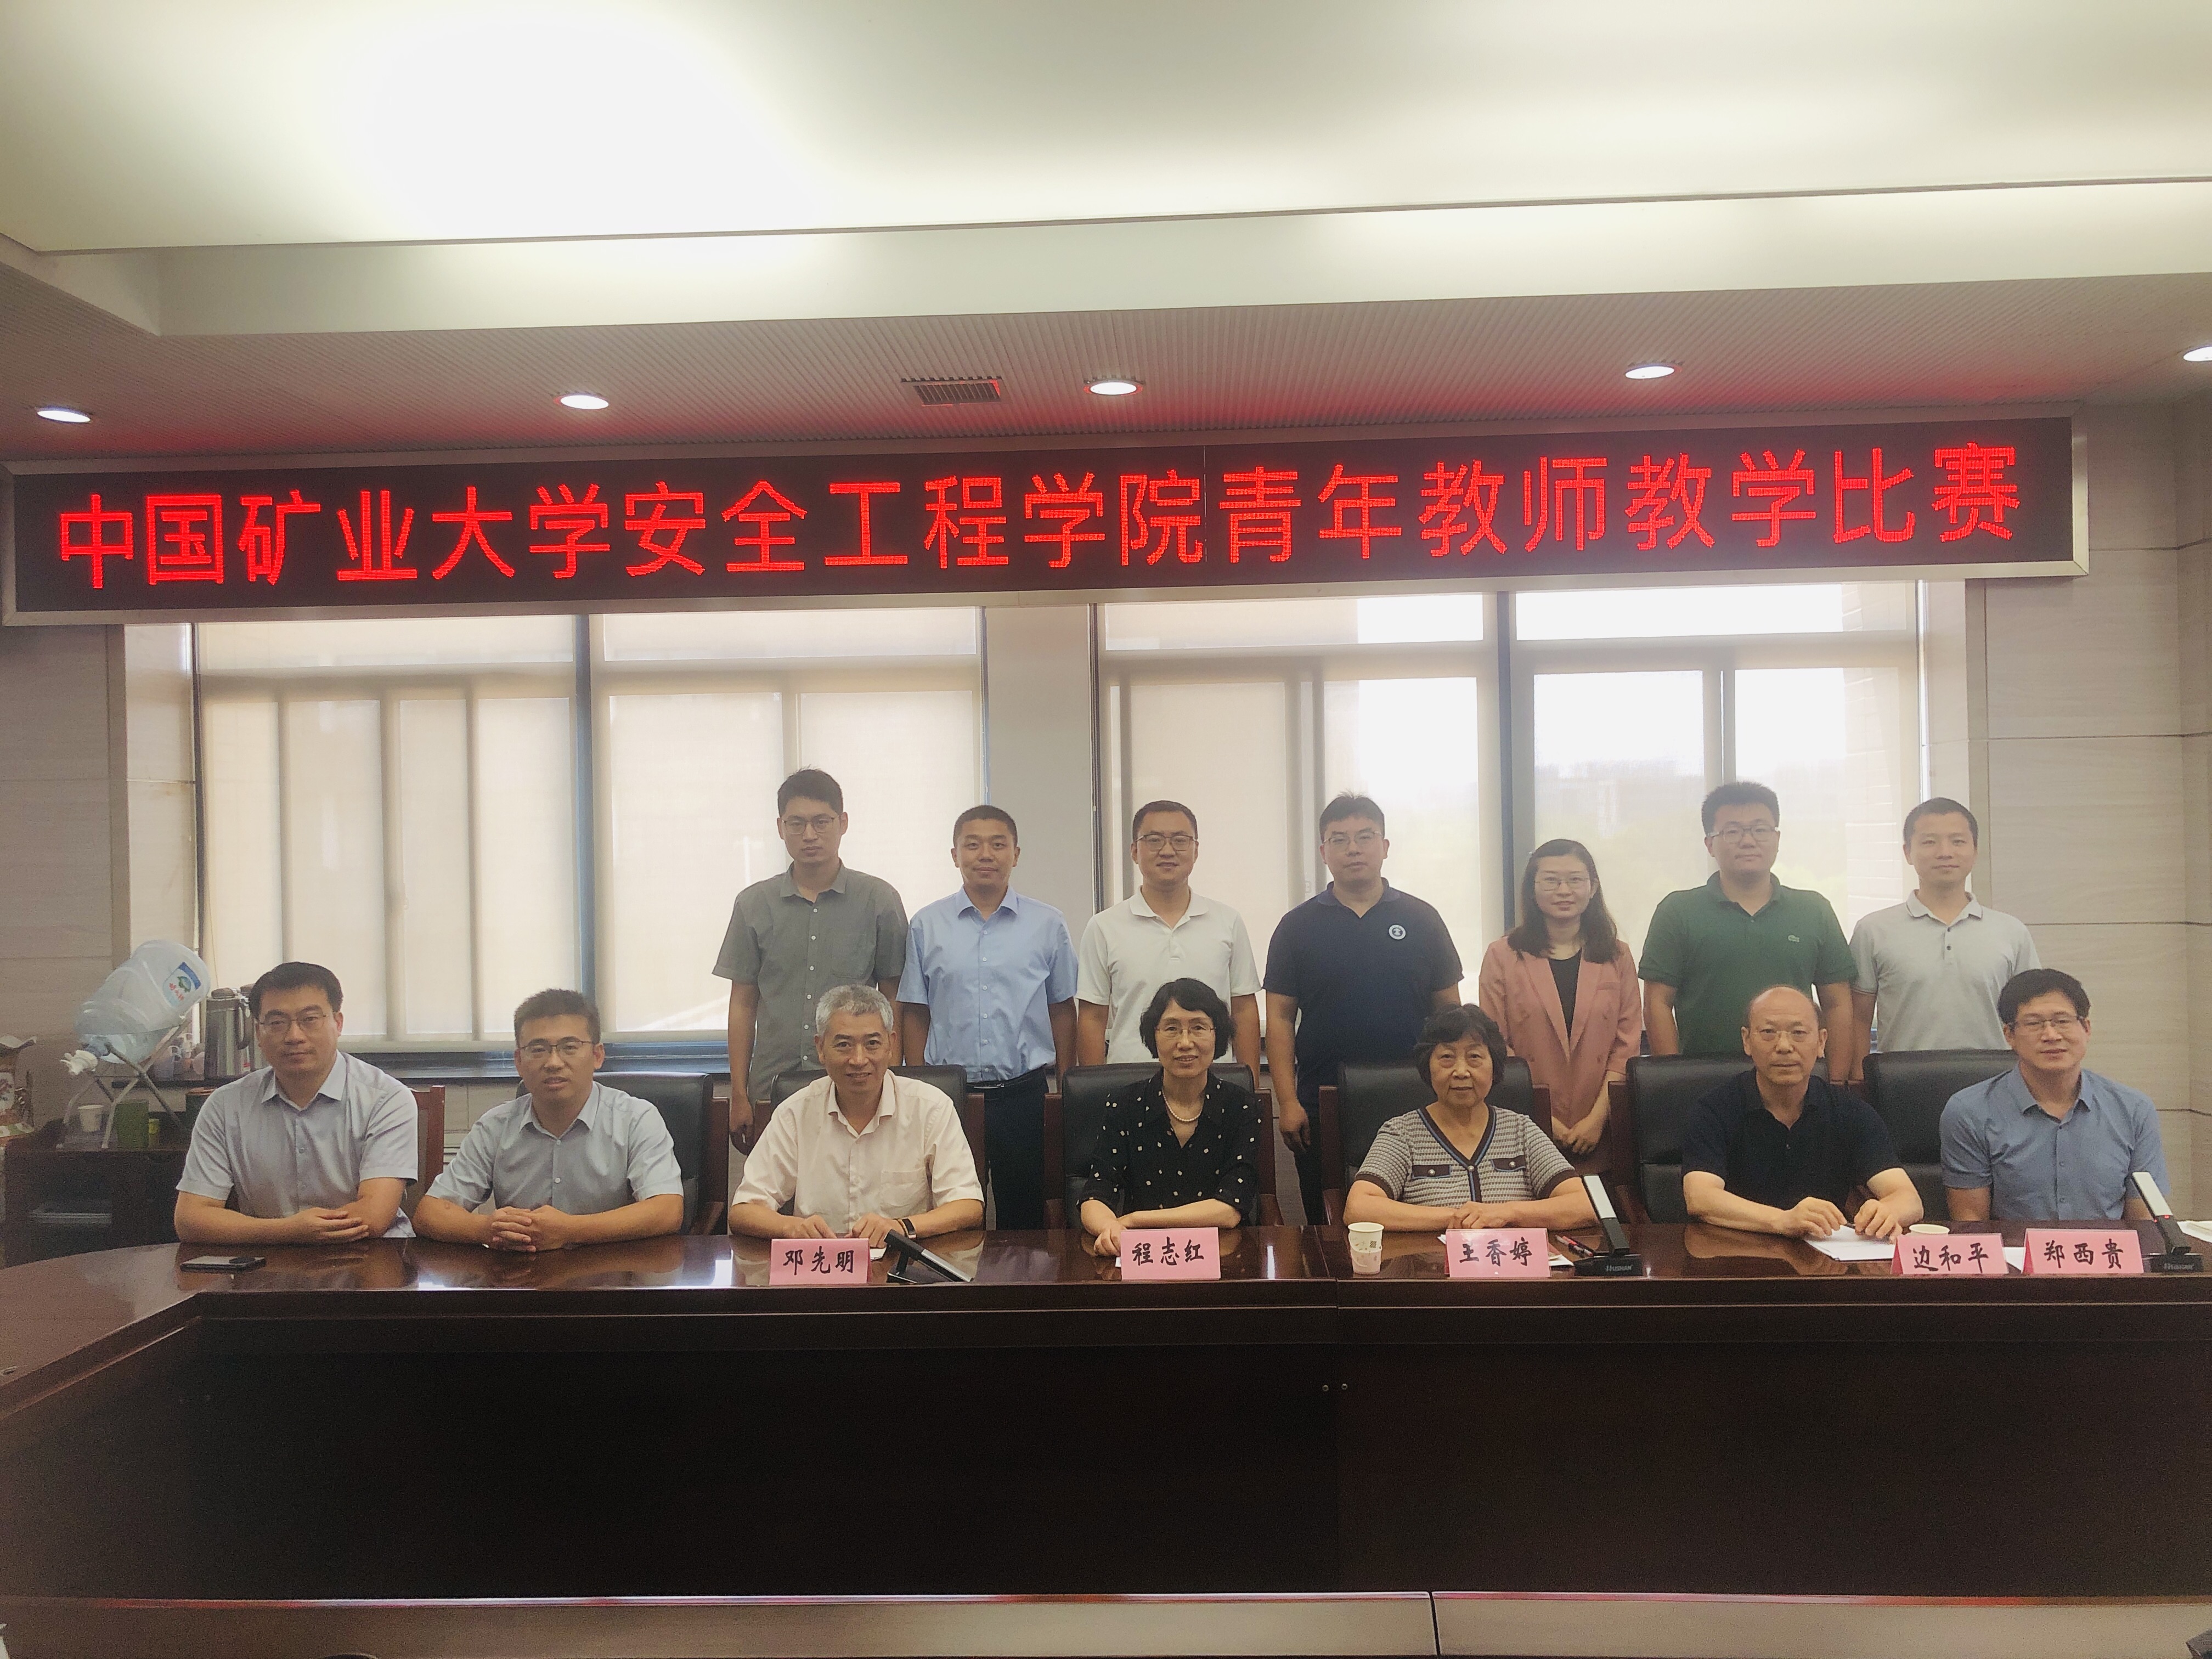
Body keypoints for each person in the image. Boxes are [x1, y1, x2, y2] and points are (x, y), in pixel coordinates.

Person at [1265, 794, 1463, 1227]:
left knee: (1417, 1218)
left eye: (1365, 837)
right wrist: (1288, 1102)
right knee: (1327, 1222)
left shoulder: (1423, 918)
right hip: (1322, 1099)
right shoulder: (1296, 926)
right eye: (1339, 840)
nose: (1353, 849)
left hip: (1415, 1095)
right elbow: (1279, 1019)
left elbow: (1450, 1013)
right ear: (1324, 852)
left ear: (1385, 846)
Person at [897, 805, 1076, 1229]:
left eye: (998, 844)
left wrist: (1066, 1085)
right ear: (955, 855)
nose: (985, 855)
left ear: (1016, 853)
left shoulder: (1048, 924)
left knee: (1026, 1217)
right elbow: (916, 1011)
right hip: (949, 1098)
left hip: (1024, 1095)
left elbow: (1062, 1008)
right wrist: (918, 1084)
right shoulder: (926, 925)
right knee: (949, 1214)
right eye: (972, 844)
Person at [714, 768, 908, 1152]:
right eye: (796, 823)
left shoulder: (878, 900)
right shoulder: (753, 904)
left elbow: (894, 997)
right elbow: (743, 1003)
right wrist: (738, 1091)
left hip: (853, 1082)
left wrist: (892, 1078)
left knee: (857, 1182)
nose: (809, 835)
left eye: (822, 822)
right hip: (771, 1085)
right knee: (776, 1187)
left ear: (843, 823)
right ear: (780, 827)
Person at [414, 990, 685, 1250]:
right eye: (538, 1049)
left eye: (570, 1047)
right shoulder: (495, 1126)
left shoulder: (636, 1119)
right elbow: (430, 1214)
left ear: (597, 1056)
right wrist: (488, 1229)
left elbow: (667, 1211)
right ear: (519, 1061)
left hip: (613, 1272)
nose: (554, 1063)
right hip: (520, 1273)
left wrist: (570, 1230)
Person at [173, 962, 419, 1245]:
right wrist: (289, 1231)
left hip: (370, 1256)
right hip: (268, 1257)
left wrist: (292, 1232)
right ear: (258, 1033)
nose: (294, 1036)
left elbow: (373, 1216)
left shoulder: (386, 1098)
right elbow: (191, 1218)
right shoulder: (226, 1106)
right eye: (277, 1023)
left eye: (310, 1019)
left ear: (338, 1023)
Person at [729, 984, 984, 1246]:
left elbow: (968, 1205)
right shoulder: (795, 1113)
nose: (859, 1059)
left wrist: (901, 1228)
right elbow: (743, 1210)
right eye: (844, 1045)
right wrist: (791, 1227)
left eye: (872, 1044)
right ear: (821, 1048)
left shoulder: (931, 1108)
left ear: (891, 1044)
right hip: (821, 1265)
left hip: (902, 1263)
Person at [1640, 781, 1856, 1068]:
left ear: (1777, 839)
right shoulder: (1677, 911)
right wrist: (1674, 1078)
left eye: (1760, 830)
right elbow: (1657, 1004)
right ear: (1710, 844)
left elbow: (1837, 1003)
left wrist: (1836, 1081)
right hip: (1704, 1078)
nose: (1748, 841)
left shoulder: (1814, 910)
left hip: (1796, 1076)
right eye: (1732, 832)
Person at [1681, 986, 1922, 1240]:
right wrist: (1782, 1220)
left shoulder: (1850, 1112)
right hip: (1735, 1252)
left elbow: (1909, 1199)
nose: (1784, 1046)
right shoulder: (1714, 1109)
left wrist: (1886, 1212)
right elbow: (1700, 1198)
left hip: (1826, 1256)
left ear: (1821, 1042)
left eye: (1798, 1033)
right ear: (1747, 1041)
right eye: (1769, 1032)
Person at [1342, 1004, 1596, 1232]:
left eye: (1474, 1057)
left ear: (1494, 1066)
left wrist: (1506, 1213)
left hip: (1512, 1267)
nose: (1461, 1072)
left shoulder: (1521, 1130)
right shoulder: (1402, 1133)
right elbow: (1359, 1208)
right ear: (1427, 1066)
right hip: (1433, 1266)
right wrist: (1458, 1218)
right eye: (1447, 1058)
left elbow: (1586, 1205)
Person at [1940, 969, 2168, 1221]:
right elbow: (1971, 1223)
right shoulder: (1970, 1111)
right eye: (2033, 1024)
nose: (2051, 1035)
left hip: (2108, 1247)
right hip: (2014, 1247)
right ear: (2009, 1035)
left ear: (2086, 1028)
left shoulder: (2133, 1110)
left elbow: (2146, 1223)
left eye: (2062, 1021)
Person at [1847, 797, 2039, 1084]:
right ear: (1907, 852)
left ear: (1975, 850)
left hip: (1995, 1083)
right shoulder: (1873, 930)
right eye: (1929, 842)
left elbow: (2031, 1015)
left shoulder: (2011, 931)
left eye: (1958, 841)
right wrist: (1858, 1082)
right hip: (1901, 1084)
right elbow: (1859, 1019)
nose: (1945, 852)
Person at [1477, 839, 1641, 1170]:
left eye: (1575, 880)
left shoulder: (1617, 955)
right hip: (1522, 1124)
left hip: (1602, 1124)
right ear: (1532, 889)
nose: (1564, 891)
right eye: (1551, 880)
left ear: (1593, 887)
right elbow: (1494, 1045)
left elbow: (1627, 1044)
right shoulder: (1502, 955)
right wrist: (1541, 1117)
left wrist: (1597, 1119)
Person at [1080, 979, 1266, 1259]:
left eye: (1199, 1028)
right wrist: (1110, 1228)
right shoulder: (1124, 1104)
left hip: (1222, 1256)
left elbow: (1230, 1209)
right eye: (1171, 1029)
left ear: (1217, 1035)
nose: (1185, 1043)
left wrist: (1135, 1220)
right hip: (1145, 1257)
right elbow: (1095, 1194)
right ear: (1153, 1036)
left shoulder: (1242, 1106)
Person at [1076, 800, 1262, 1073]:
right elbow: (1092, 1018)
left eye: (1180, 840)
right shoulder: (1104, 927)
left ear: (1196, 850)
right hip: (1130, 1079)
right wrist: (1095, 1088)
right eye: (1154, 840)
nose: (1167, 851)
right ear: (1134, 851)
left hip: (1212, 1078)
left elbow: (1244, 1010)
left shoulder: (1228, 921)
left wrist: (1249, 1085)